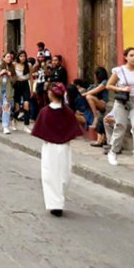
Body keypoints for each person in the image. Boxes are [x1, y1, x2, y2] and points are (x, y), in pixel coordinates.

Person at [31, 83, 83, 217]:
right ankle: (59, 200)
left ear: (50, 94)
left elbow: (41, 131)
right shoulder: (68, 113)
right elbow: (73, 131)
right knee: (63, 174)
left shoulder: (45, 112)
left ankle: (54, 203)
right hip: (64, 147)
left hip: (50, 147)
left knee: (50, 174)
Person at [106, 47, 134, 173]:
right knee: (120, 127)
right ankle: (113, 151)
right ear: (126, 57)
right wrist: (121, 89)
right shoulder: (119, 71)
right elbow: (109, 85)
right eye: (131, 55)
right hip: (121, 102)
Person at [0, 52, 15, 134]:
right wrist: (0, 73)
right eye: (7, 57)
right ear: (4, 58)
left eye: (10, 57)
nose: (9, 58)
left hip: (7, 92)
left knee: (6, 108)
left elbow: (14, 81)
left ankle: (5, 127)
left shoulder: (12, 67)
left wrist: (10, 75)